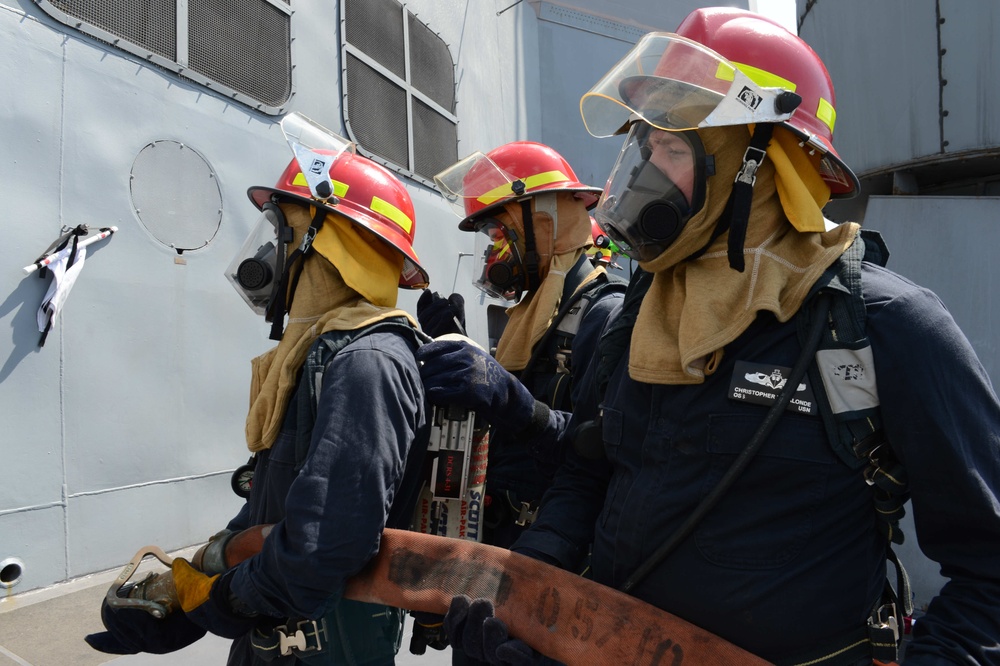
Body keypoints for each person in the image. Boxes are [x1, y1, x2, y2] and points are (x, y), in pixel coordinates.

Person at [429, 7, 1000, 666]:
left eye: (673, 149)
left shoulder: (885, 326)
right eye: (644, 147)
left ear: (756, 161)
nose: (645, 175)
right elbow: (587, 477)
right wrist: (527, 601)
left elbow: (988, 570)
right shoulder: (636, 317)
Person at [86, 126, 434, 665]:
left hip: (326, 650)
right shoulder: (321, 352)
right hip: (274, 640)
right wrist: (193, 584)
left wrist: (215, 604)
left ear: (328, 245)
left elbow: (324, 548)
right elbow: (275, 504)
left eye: (285, 233)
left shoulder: (367, 364)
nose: (272, 254)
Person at [418, 141, 625, 549]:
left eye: (499, 232)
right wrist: (459, 344)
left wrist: (519, 407)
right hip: (498, 537)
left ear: (544, 221)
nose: (494, 249)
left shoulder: (605, 315)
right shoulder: (533, 311)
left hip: (549, 548)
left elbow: (599, 458)